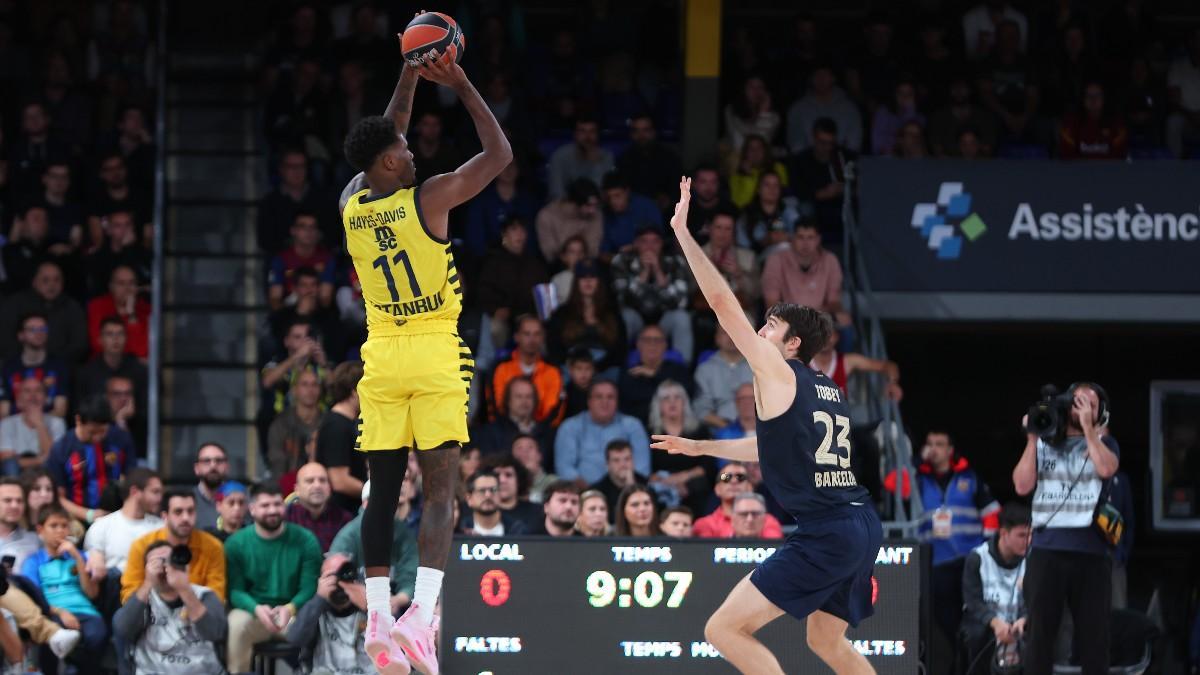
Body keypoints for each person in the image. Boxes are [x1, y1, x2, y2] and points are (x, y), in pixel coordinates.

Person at [652, 178, 882, 673]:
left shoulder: (775, 370)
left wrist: (684, 236)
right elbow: (773, 448)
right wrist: (699, 446)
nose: (760, 329)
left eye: (772, 325)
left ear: (793, 343)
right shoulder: (824, 387)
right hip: (861, 522)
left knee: (723, 629)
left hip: (826, 532)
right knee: (827, 642)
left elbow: (720, 303)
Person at [338, 39, 512, 675]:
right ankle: (423, 620)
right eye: (404, 152)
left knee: (383, 491)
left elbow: (390, 130)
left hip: (380, 353)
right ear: (390, 163)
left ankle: (379, 615)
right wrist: (461, 83)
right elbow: (500, 155)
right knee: (442, 491)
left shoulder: (353, 205)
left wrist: (409, 74)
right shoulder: (428, 199)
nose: (412, 151)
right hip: (435, 349)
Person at [1013, 382, 1119, 675]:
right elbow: (1022, 485)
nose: (1083, 407)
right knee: (1040, 635)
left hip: (1091, 554)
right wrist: (1032, 438)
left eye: (1091, 404)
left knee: (1094, 637)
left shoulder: (1103, 444)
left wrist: (1088, 430)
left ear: (1101, 413)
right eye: (1078, 401)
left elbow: (1107, 469)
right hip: (1047, 551)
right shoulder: (1045, 444)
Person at [225, 482, 323, 673]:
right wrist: (256, 608)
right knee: (235, 625)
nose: (272, 510)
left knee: (317, 623)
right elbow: (235, 590)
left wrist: (291, 607)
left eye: (277, 504)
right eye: (265, 505)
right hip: (253, 611)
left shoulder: (305, 539)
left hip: (292, 612)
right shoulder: (235, 543)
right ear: (252, 509)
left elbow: (310, 587)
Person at [112, 540, 227, 675]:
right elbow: (123, 630)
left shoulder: (204, 595)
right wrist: (148, 583)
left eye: (171, 560)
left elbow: (216, 633)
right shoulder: (143, 598)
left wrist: (184, 589)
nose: (166, 566)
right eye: (158, 561)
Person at [24, 503, 107, 673]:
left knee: (98, 633)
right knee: (56, 635)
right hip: (53, 613)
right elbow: (32, 599)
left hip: (86, 611)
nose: (60, 530)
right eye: (53, 526)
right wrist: (61, 612)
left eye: (64, 526)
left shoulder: (80, 556)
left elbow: (92, 593)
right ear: (40, 530)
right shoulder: (33, 561)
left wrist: (77, 556)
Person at [120, 488, 227, 604]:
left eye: (190, 511)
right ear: (164, 516)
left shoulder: (213, 547)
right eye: (178, 512)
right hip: (153, 615)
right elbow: (128, 597)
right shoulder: (141, 546)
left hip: (196, 614)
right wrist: (149, 582)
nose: (186, 518)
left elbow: (217, 596)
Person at [330, 481, 419, 617]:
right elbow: (333, 579)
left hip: (396, 610)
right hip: (353, 611)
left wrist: (397, 599)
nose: (382, 508)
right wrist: (368, 599)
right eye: (377, 502)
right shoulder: (348, 536)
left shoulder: (403, 534)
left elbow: (410, 576)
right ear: (365, 504)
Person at [961, 503, 1031, 672]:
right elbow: (973, 601)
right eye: (1021, 535)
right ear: (1004, 533)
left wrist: (1025, 619)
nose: (1028, 541)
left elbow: (1036, 599)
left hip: (1019, 626)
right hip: (988, 627)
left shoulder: (1033, 559)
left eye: (1030, 535)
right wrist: (995, 623)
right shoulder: (978, 558)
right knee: (974, 633)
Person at [83, 467, 163, 615]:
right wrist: (95, 562)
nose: (159, 498)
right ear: (135, 492)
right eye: (155, 492)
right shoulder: (102, 526)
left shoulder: (161, 527)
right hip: (115, 597)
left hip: (153, 591)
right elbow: (95, 567)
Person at [46, 395, 135, 524]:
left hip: (118, 516)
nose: (97, 437)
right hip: (77, 518)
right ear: (78, 420)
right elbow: (58, 497)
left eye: (103, 431)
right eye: (92, 432)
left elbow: (131, 480)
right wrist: (89, 515)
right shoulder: (61, 449)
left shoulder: (121, 439)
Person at [610, 227, 694, 364]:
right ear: (636, 244)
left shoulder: (675, 262)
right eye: (644, 241)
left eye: (655, 242)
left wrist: (658, 272)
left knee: (681, 318)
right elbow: (623, 301)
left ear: (661, 244)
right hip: (636, 321)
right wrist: (643, 274)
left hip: (664, 322)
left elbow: (681, 303)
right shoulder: (622, 261)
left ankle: (682, 368)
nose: (650, 247)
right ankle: (620, 366)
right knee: (625, 316)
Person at [287, 552, 376, 674]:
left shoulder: (368, 606)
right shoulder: (316, 610)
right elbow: (295, 638)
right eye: (331, 576)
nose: (339, 582)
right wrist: (319, 598)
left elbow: (397, 649)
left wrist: (371, 607)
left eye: (344, 573)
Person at [555, 381, 650, 486]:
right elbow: (564, 468)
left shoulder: (633, 425)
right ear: (589, 401)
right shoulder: (570, 426)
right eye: (599, 397)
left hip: (624, 490)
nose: (605, 402)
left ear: (617, 401)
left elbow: (642, 469)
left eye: (610, 397)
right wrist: (590, 493)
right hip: (583, 492)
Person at [761, 222, 848, 327]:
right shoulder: (776, 260)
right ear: (792, 239)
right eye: (800, 237)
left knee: (845, 322)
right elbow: (771, 303)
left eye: (810, 238)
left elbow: (834, 300)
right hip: (787, 319)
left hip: (819, 318)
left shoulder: (830, 260)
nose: (805, 243)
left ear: (818, 239)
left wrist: (834, 313)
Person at [546, 261, 628, 371]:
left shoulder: (612, 313)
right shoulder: (562, 313)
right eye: (583, 277)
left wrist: (596, 368)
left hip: (604, 369)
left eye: (592, 277)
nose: (588, 281)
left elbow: (620, 349)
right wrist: (575, 367)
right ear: (576, 283)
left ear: (599, 282)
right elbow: (554, 347)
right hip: (571, 368)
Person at [0, 261, 88, 362]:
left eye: (57, 280)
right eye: (45, 280)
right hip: (19, 365)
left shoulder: (72, 307)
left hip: (62, 366)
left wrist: (54, 363)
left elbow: (79, 345)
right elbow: (4, 339)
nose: (52, 285)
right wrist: (28, 359)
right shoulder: (15, 304)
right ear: (34, 282)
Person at [475, 218, 548, 339]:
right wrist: (495, 310)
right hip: (502, 315)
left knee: (542, 330)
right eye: (514, 230)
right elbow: (483, 292)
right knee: (495, 328)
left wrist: (538, 314)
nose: (519, 234)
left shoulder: (535, 263)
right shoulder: (492, 261)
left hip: (530, 315)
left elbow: (544, 294)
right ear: (504, 234)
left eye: (522, 230)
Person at [487, 315, 564, 426]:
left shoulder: (552, 371)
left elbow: (554, 410)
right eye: (526, 334)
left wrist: (537, 431)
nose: (532, 339)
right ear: (517, 337)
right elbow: (495, 406)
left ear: (543, 337)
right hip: (505, 431)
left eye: (537, 334)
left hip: (542, 434)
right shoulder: (501, 368)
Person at [317, 362, 368, 512]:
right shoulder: (336, 426)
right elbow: (339, 480)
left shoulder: (348, 423)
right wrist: (376, 493)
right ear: (355, 391)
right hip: (342, 511)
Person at [618, 325, 694, 425]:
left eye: (657, 340)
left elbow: (687, 393)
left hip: (674, 425)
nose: (652, 344)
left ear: (665, 345)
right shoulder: (630, 373)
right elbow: (628, 405)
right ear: (638, 344)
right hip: (640, 426)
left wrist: (655, 375)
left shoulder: (678, 370)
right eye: (647, 340)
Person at [1, 313, 70, 419]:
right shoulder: (8, 368)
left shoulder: (59, 366)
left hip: (50, 426)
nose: (39, 333)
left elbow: (60, 411)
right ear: (21, 335)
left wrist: (38, 424)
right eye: (32, 329)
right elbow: (3, 412)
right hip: (15, 428)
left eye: (43, 329)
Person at [693, 463, 785, 539]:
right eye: (726, 477)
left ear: (750, 487)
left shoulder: (767, 521)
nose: (733, 481)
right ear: (717, 489)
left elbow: (772, 551)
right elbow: (705, 556)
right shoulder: (705, 524)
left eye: (740, 477)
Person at [267, 367, 325, 485]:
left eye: (314, 385)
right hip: (289, 484)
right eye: (304, 384)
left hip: (321, 483)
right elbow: (277, 462)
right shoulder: (281, 423)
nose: (310, 390)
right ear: (294, 390)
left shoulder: (327, 422)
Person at [786, 65, 863, 154]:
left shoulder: (849, 109)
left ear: (833, 78)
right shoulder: (798, 109)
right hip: (807, 163)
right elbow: (795, 142)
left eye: (825, 75)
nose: (821, 79)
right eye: (817, 75)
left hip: (841, 162)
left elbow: (854, 143)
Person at [75, 317, 147, 409]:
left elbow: (146, 410)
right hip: (97, 422)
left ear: (126, 338)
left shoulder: (139, 371)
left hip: (133, 422)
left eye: (120, 334)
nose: (115, 339)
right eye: (109, 334)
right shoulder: (86, 374)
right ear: (100, 339)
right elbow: (80, 412)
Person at [694, 325, 755, 431]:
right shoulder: (705, 369)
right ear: (717, 338)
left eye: (734, 332)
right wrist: (728, 428)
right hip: (719, 432)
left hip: (757, 429)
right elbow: (700, 409)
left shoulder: (757, 366)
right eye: (725, 332)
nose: (730, 336)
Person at [615, 113, 682, 210]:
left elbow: (678, 187)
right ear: (631, 134)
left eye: (645, 130)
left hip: (666, 212)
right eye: (636, 131)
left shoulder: (669, 157)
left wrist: (669, 199)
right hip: (632, 211)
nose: (641, 135)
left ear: (653, 132)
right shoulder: (623, 160)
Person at [0, 378, 66, 474]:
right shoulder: (7, 423)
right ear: (19, 399)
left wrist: (39, 424)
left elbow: (56, 458)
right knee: (10, 464)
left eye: (38, 391)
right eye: (27, 391)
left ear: (46, 398)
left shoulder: (57, 423)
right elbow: (6, 458)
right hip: (16, 473)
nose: (33, 396)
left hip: (45, 475)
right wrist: (40, 460)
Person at [700, 210, 760, 310]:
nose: (723, 233)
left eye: (728, 229)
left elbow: (757, 293)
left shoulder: (748, 257)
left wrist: (739, 275)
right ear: (709, 229)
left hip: (739, 312)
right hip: (704, 311)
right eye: (718, 227)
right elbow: (689, 289)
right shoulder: (696, 253)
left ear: (734, 232)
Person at [286, 463, 353, 552]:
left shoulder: (344, 519)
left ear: (329, 488)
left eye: (322, 480)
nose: (317, 485)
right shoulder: (286, 517)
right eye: (310, 481)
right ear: (297, 489)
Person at [86, 265, 149, 358]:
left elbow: (141, 352)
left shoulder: (146, 309)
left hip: (133, 369)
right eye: (121, 283)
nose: (127, 288)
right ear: (111, 287)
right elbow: (98, 345)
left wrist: (132, 316)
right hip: (103, 366)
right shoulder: (96, 306)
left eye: (132, 283)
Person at [535, 178, 603, 263]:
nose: (593, 210)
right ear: (573, 203)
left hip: (587, 266)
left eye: (595, 205)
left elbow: (593, 251)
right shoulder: (546, 216)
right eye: (588, 205)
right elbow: (550, 253)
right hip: (556, 267)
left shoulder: (595, 215)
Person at [547, 117, 614, 200]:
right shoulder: (560, 156)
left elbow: (605, 193)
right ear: (575, 134)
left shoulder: (606, 157)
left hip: (596, 207)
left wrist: (596, 163)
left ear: (597, 134)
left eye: (592, 131)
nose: (587, 136)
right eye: (582, 131)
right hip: (565, 206)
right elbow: (556, 193)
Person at [600, 170, 663, 255]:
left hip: (650, 256)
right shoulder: (607, 215)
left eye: (617, 195)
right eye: (609, 197)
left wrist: (635, 247)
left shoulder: (646, 207)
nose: (613, 201)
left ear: (627, 192)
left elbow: (658, 238)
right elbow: (604, 252)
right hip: (620, 262)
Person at [586, 440, 648, 518]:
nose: (622, 465)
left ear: (633, 461)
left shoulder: (646, 485)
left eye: (627, 459)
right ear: (607, 465)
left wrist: (632, 487)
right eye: (616, 460)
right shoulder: (598, 491)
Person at [461, 471, 526, 536]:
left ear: (500, 495)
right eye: (482, 491)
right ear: (469, 499)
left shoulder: (518, 530)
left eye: (493, 490)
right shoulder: (459, 531)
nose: (488, 495)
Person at [191, 442, 230, 532]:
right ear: (196, 468)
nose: (213, 465)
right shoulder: (187, 501)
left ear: (227, 467)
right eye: (206, 461)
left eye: (219, 461)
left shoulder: (240, 501)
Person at [511, 434, 558, 503]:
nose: (524, 451)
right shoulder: (505, 482)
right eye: (519, 448)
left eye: (530, 447)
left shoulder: (553, 482)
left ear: (539, 456)